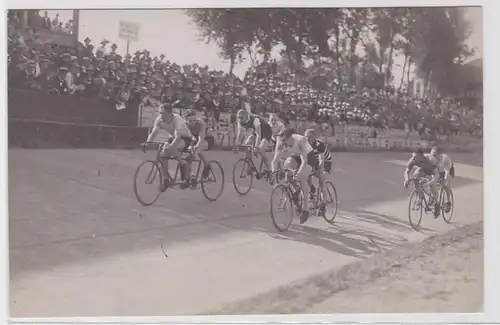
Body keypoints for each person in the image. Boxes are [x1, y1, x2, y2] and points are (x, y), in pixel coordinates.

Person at [271, 129, 320, 224]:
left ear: (291, 137)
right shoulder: (281, 142)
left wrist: (299, 173)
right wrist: (274, 173)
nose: (283, 143)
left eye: (285, 140)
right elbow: (274, 161)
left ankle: (306, 210)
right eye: (281, 141)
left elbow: (304, 161)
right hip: (295, 156)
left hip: (308, 157)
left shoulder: (300, 140)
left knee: (301, 177)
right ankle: (296, 189)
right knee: (287, 168)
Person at [142, 101, 194, 189]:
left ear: (170, 113)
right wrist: (147, 143)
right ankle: (166, 180)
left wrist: (170, 147)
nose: (161, 115)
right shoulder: (159, 119)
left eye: (163, 113)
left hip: (185, 138)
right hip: (173, 138)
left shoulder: (177, 119)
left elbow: (178, 137)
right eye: (160, 113)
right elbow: (154, 133)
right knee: (162, 155)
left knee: (169, 149)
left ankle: (182, 163)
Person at [234, 109, 273, 177]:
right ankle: (250, 166)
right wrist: (236, 145)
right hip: (256, 132)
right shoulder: (240, 121)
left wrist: (256, 146)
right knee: (247, 145)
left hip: (266, 132)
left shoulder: (255, 120)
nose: (240, 119)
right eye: (238, 117)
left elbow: (259, 135)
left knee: (261, 150)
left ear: (246, 116)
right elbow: (239, 134)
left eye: (241, 118)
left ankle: (269, 169)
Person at [403, 148, 441, 217]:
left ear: (421, 157)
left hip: (433, 169)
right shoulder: (412, 160)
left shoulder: (430, 160)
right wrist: (406, 179)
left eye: (415, 157)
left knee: (432, 186)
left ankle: (437, 204)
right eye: (413, 157)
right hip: (422, 168)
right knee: (415, 177)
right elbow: (406, 171)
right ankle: (421, 197)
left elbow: (437, 174)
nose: (413, 159)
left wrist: (433, 181)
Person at [304, 128, 332, 217]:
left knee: (321, 178)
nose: (307, 139)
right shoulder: (304, 144)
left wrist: (319, 172)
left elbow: (321, 161)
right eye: (306, 137)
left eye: (310, 137)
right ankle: (312, 189)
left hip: (325, 162)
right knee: (306, 173)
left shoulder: (319, 145)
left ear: (314, 137)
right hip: (313, 161)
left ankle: (323, 203)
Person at [184, 109, 211, 186]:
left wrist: (197, 145)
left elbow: (201, 137)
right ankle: (188, 176)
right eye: (190, 121)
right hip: (192, 141)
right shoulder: (184, 124)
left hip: (203, 141)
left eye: (194, 120)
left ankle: (192, 176)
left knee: (192, 155)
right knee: (189, 155)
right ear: (186, 120)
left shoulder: (200, 123)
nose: (193, 122)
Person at [429, 146, 454, 212]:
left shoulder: (445, 158)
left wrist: (445, 178)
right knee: (432, 182)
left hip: (449, 171)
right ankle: (433, 197)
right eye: (432, 155)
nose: (433, 157)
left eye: (435, 155)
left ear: (439, 155)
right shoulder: (431, 159)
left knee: (446, 185)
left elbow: (447, 171)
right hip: (439, 171)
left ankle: (448, 201)